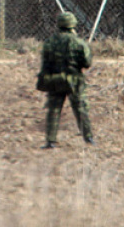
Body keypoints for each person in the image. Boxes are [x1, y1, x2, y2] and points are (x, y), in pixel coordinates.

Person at [36, 12, 94, 149]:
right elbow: (87, 63)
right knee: (80, 109)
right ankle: (88, 138)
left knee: (53, 110)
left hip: (55, 81)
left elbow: (45, 65)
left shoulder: (49, 43)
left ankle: (50, 140)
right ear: (73, 25)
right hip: (74, 82)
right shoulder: (79, 43)